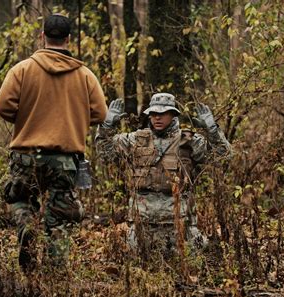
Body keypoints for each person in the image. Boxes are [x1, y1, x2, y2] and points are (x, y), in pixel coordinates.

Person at [0, 14, 108, 271]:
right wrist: (74, 119)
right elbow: (101, 114)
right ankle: (56, 273)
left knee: (21, 199)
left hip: (26, 156)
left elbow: (3, 106)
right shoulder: (85, 75)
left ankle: (26, 228)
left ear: (42, 36)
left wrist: (23, 116)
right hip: (65, 160)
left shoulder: (22, 69)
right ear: (69, 39)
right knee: (60, 217)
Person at [95, 93, 232, 257]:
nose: (157, 118)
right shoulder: (136, 139)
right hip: (142, 223)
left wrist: (212, 129)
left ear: (173, 114)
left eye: (162, 113)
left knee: (188, 262)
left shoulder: (188, 141)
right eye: (153, 114)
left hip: (179, 224)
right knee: (138, 264)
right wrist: (107, 125)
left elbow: (223, 156)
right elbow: (105, 153)